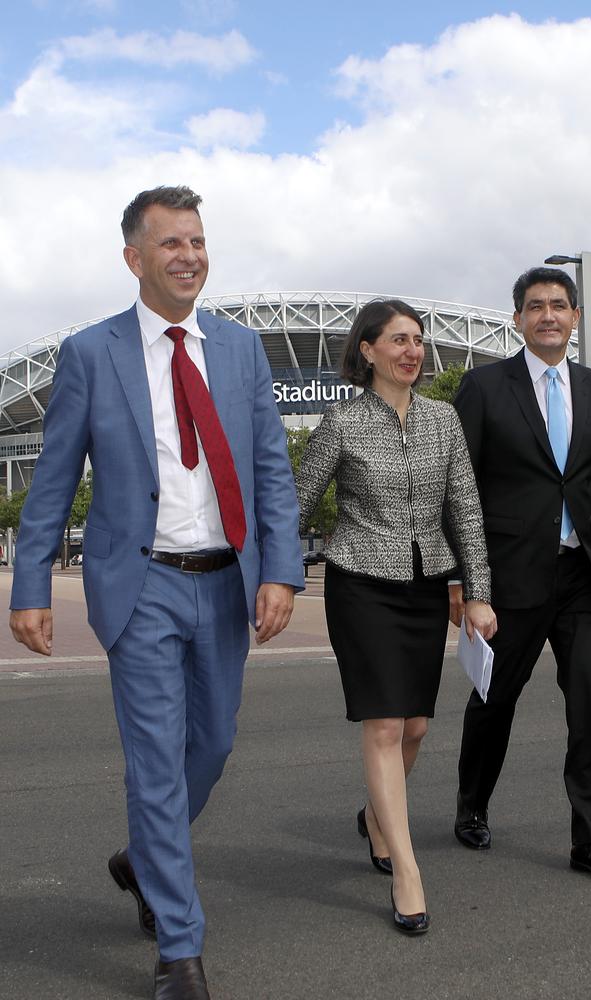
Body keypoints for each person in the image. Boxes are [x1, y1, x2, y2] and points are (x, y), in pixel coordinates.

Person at [9, 186, 304, 999]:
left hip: (226, 584)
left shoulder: (242, 352)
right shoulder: (91, 352)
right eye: (171, 243)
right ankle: (180, 949)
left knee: (210, 748)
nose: (189, 256)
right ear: (134, 257)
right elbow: (54, 478)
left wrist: (282, 569)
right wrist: (30, 582)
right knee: (155, 768)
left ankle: (142, 858)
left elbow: (272, 472)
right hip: (140, 589)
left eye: (199, 241)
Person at [296, 299, 496, 935]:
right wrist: (267, 575)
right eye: (399, 341)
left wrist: (479, 590)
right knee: (384, 725)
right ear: (368, 350)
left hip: (423, 589)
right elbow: (298, 502)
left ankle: (376, 815)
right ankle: (407, 870)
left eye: (418, 341)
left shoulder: (444, 421)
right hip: (359, 584)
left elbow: (464, 509)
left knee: (414, 728)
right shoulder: (343, 422)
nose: (413, 352)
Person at [450, 266, 591, 882]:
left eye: (560, 305)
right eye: (536, 307)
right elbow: (460, 489)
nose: (549, 315)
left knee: (590, 703)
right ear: (519, 320)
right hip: (509, 578)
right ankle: (472, 804)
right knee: (495, 698)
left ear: (576, 317)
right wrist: (466, 580)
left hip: (581, 576)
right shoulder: (483, 388)